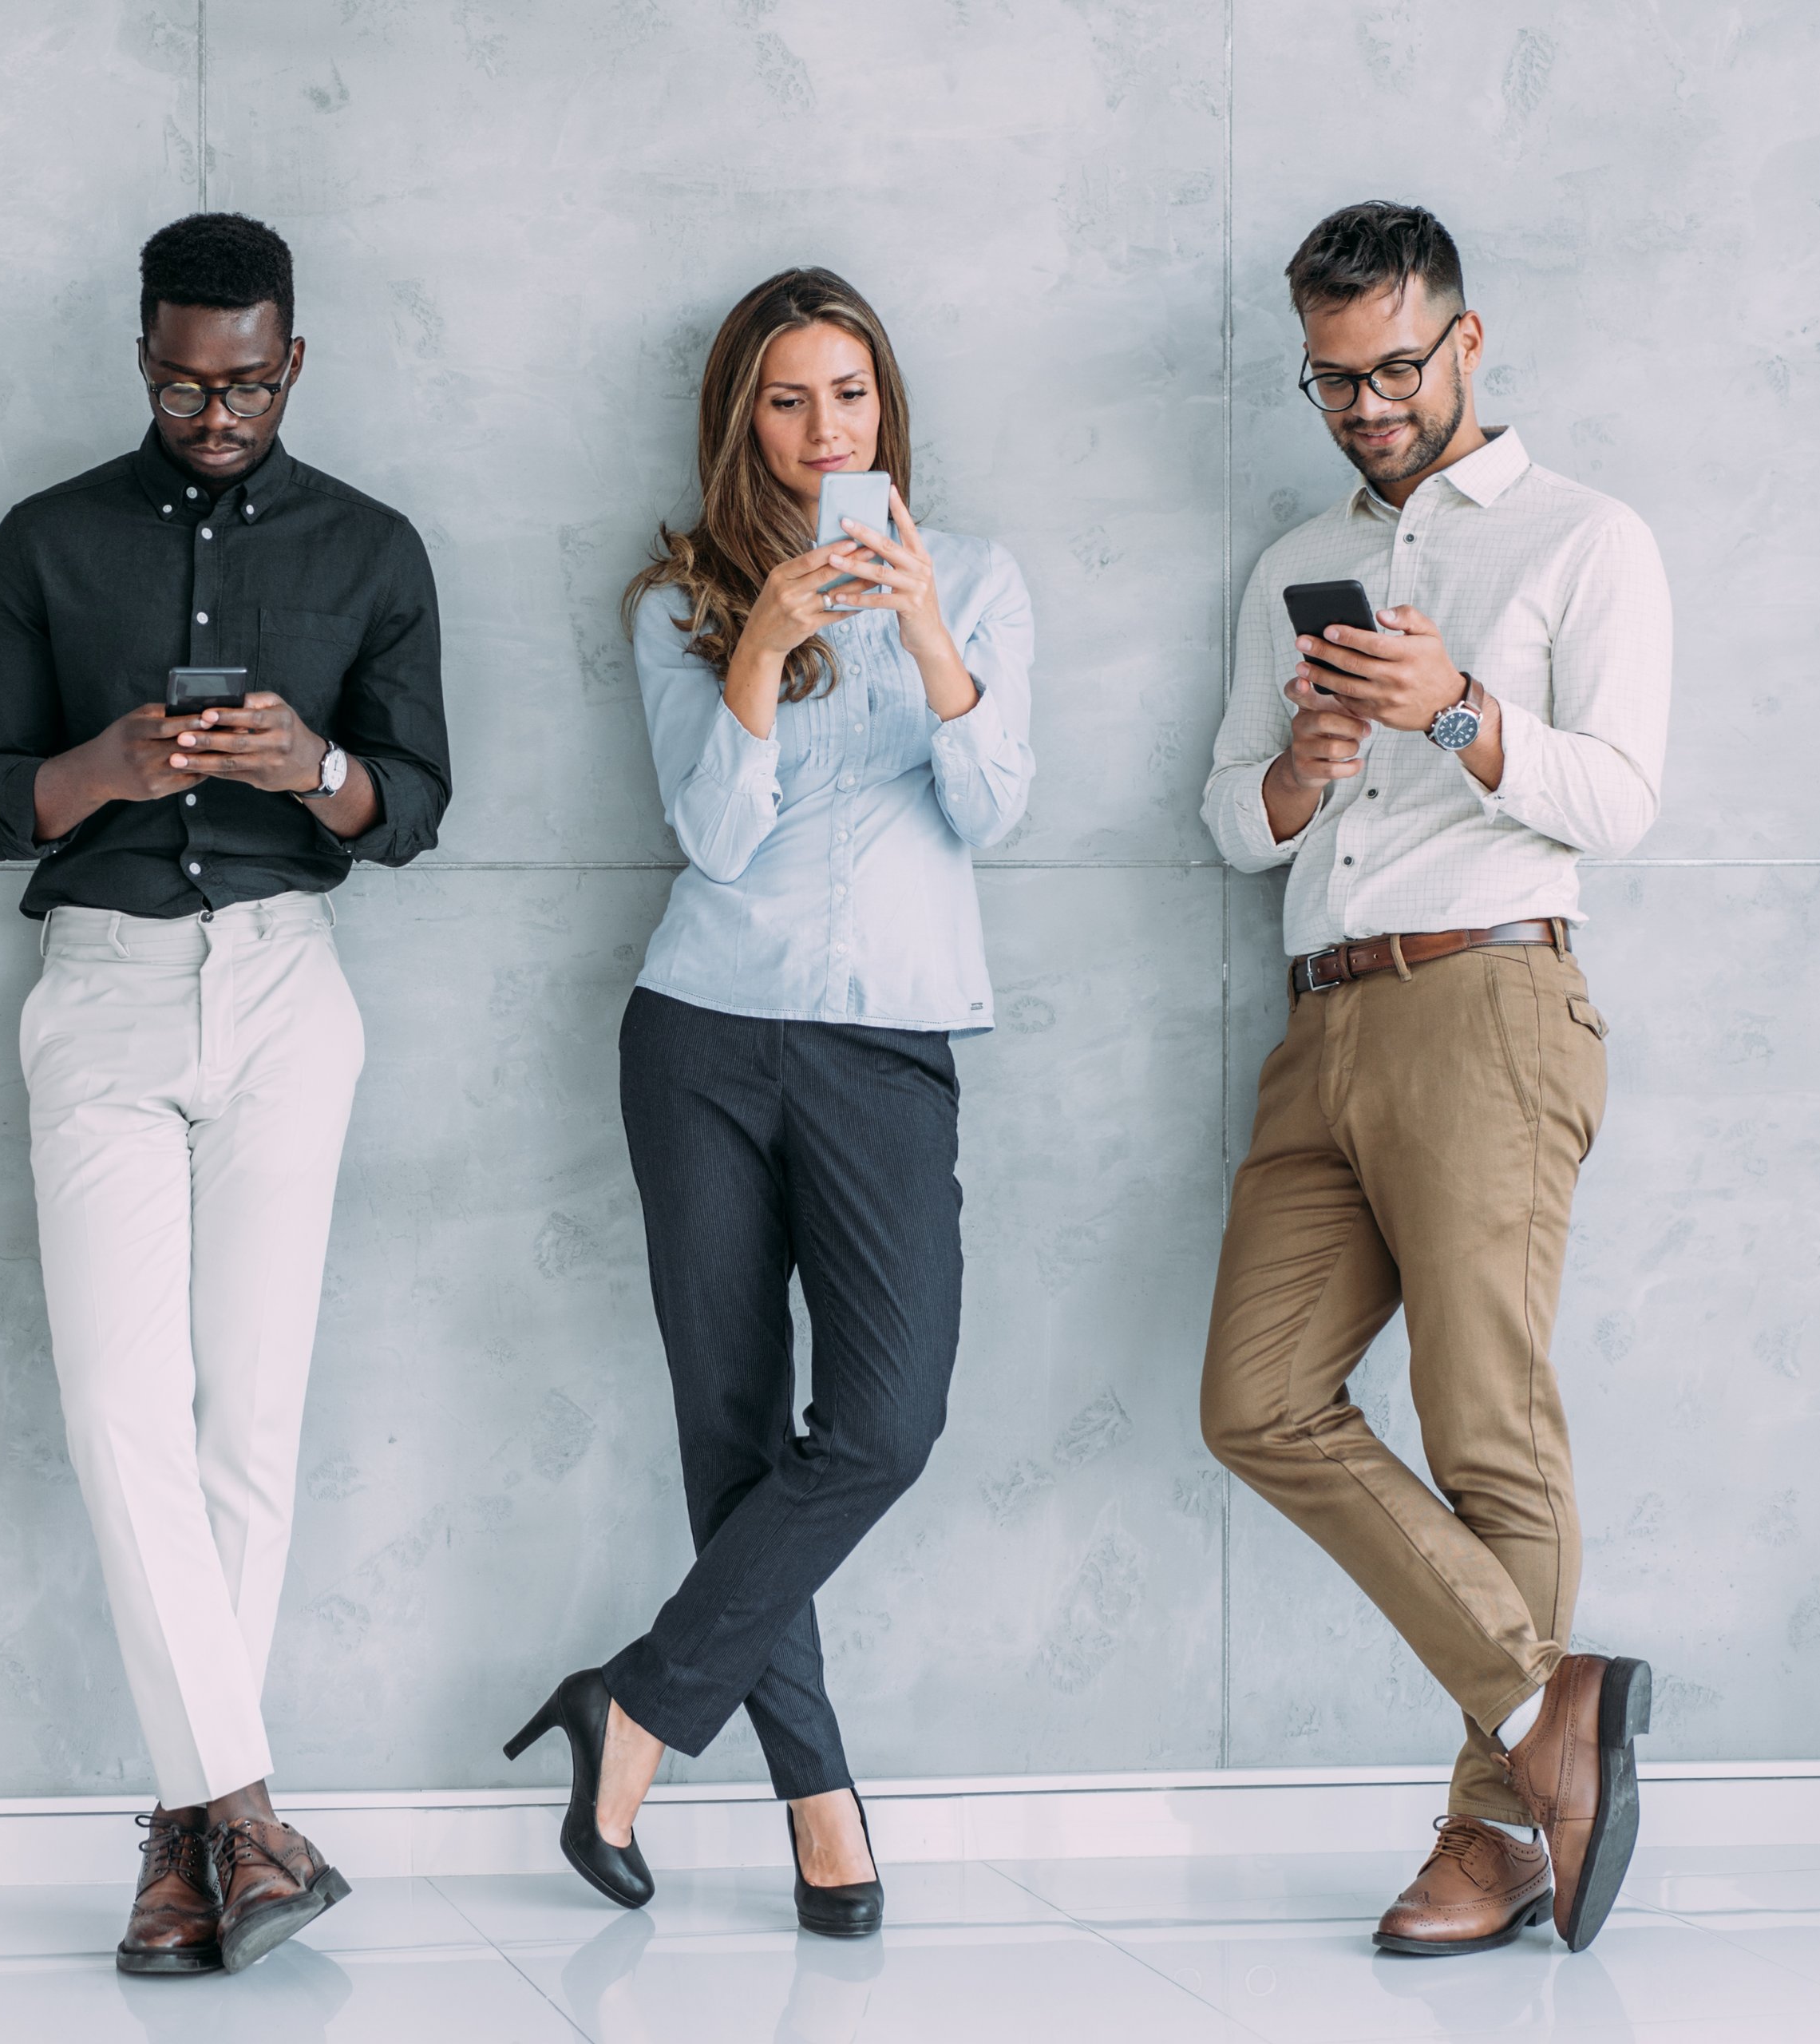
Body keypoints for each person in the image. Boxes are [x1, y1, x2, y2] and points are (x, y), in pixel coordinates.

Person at [0, 212, 452, 1975]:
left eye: (243, 384)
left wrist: (311, 765)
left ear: (291, 359)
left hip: (290, 989)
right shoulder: (47, 539)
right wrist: (106, 764)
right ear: (142, 356)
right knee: (118, 1410)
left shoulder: (374, 546)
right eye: (179, 383)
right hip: (102, 987)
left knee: (252, 1423)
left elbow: (415, 805)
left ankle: (187, 1848)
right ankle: (245, 1815)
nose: (213, 413)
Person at [506, 267, 1034, 1937]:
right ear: (743, 420)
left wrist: (926, 628)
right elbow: (715, 836)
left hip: (886, 1045)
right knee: (732, 1435)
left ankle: (638, 1703)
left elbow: (995, 806)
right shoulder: (681, 600)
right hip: (705, 1037)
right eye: (788, 401)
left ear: (888, 408)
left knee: (882, 1425)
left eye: (850, 396)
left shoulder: (984, 580)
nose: (825, 433)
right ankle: (818, 1797)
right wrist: (762, 643)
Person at [1197, 202, 1672, 1959]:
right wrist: (1308, 763)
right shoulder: (1292, 561)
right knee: (1255, 1400)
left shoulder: (1586, 537)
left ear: (1467, 340)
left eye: (1396, 368)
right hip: (1322, 1019)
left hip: (1488, 1001)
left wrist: (1458, 709)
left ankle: (1493, 1835)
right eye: (1335, 380)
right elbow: (1228, 821)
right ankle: (1552, 1706)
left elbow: (1621, 798)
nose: (1369, 407)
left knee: (1487, 1426)